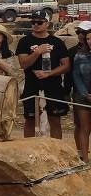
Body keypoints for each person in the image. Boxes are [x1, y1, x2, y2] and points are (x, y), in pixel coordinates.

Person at [16, 11, 70, 140]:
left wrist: (49, 74)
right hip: (32, 85)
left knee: (55, 120)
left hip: (53, 85)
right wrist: (37, 52)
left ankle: (57, 152)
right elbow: (23, 64)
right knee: (30, 120)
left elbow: (66, 65)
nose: (36, 25)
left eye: (39, 22)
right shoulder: (24, 41)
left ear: (47, 24)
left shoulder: (57, 42)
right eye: (33, 22)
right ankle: (29, 151)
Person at [69, 21, 91, 162]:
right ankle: (85, 160)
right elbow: (76, 75)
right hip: (83, 96)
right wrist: (85, 94)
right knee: (84, 128)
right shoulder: (78, 55)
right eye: (88, 38)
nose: (88, 40)